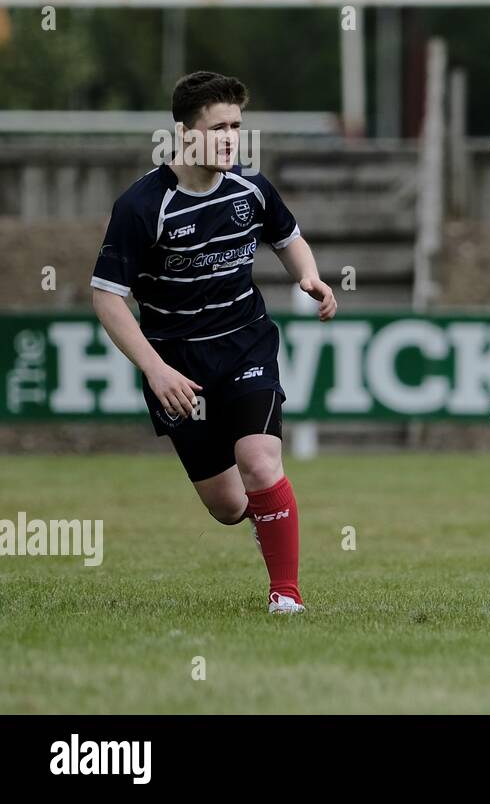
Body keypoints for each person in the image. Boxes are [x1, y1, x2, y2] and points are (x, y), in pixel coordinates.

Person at [90, 71, 336, 614]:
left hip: (246, 345)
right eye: (218, 128)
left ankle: (286, 596)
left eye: (237, 127)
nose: (231, 138)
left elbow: (288, 238)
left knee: (261, 462)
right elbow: (107, 299)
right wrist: (155, 370)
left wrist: (309, 276)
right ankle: (263, 521)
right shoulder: (142, 207)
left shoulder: (251, 186)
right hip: (178, 366)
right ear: (184, 133)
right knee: (228, 506)